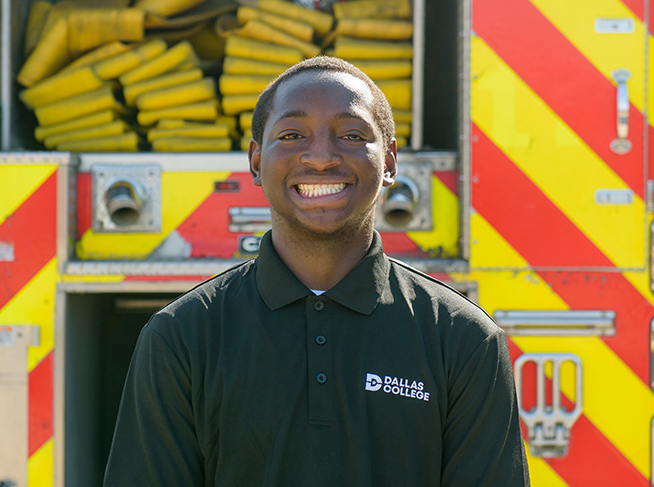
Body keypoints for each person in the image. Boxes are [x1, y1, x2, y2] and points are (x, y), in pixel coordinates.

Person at [103, 56, 530, 486]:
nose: (322, 157)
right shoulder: (182, 337)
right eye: (292, 134)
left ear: (389, 162)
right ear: (256, 160)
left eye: (351, 134)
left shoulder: (464, 341)